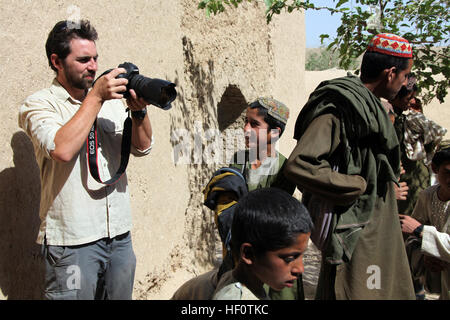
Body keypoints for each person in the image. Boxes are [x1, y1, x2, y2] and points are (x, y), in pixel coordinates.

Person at [18, 20, 154, 299]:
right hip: (72, 244)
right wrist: (95, 98)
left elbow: (143, 147)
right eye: (82, 60)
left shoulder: (112, 103)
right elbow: (62, 149)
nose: (92, 66)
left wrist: (138, 112)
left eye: (95, 59)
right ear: (56, 61)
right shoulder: (39, 104)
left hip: (119, 238)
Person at [284, 33, 416, 299]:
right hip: (357, 234)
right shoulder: (341, 109)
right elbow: (300, 163)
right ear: (390, 73)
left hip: (379, 228)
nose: (404, 85)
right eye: (404, 77)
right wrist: (355, 184)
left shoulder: (371, 110)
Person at [212, 188, 313, 300]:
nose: (300, 269)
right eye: (289, 258)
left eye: (301, 256)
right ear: (248, 254)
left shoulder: (234, 279)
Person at [400, 140, 450, 300]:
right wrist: (427, 255)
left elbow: (416, 229)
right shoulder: (427, 196)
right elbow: (413, 240)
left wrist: (421, 231)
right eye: (447, 172)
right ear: (435, 169)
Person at [390, 75, 447, 216]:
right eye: (408, 98)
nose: (411, 102)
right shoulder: (391, 119)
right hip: (405, 181)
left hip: (414, 181)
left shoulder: (408, 119)